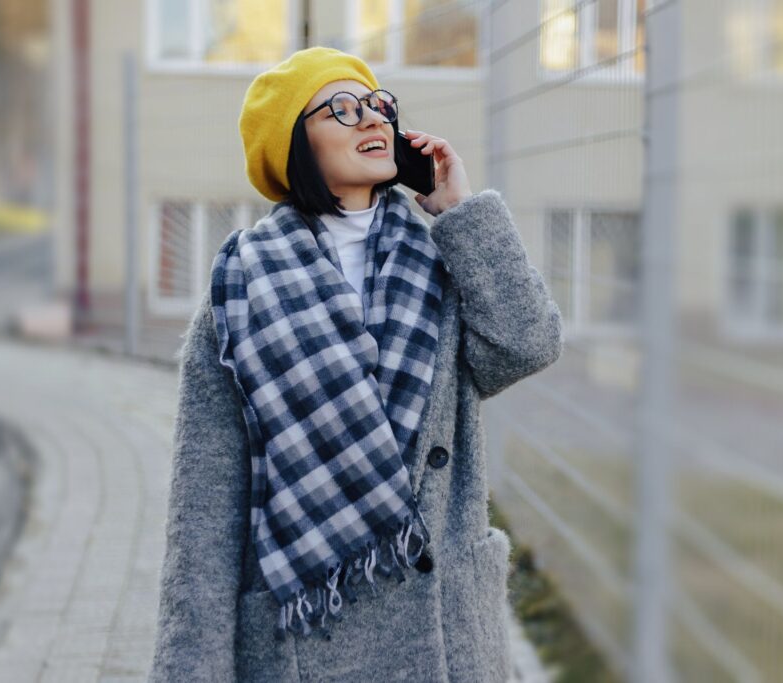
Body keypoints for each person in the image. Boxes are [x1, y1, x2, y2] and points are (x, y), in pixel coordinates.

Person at [147, 46, 563, 683]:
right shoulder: (243, 291)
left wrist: (460, 210)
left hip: (445, 635)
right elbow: (204, 515)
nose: (371, 119)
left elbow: (527, 344)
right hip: (309, 635)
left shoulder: (445, 264)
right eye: (340, 109)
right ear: (292, 144)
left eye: (378, 105)